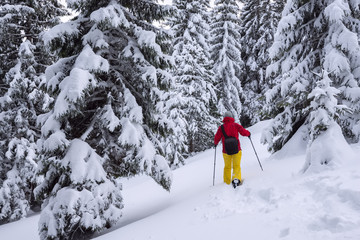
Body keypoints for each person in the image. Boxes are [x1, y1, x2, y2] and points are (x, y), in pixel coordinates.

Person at [214, 111, 250, 187]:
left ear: (224, 118)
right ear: (231, 117)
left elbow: (217, 137)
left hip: (226, 150)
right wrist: (248, 134)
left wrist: (215, 143)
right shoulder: (236, 125)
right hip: (237, 149)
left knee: (227, 166)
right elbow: (243, 132)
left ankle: (227, 181)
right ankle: (236, 179)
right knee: (236, 165)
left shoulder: (221, 127)